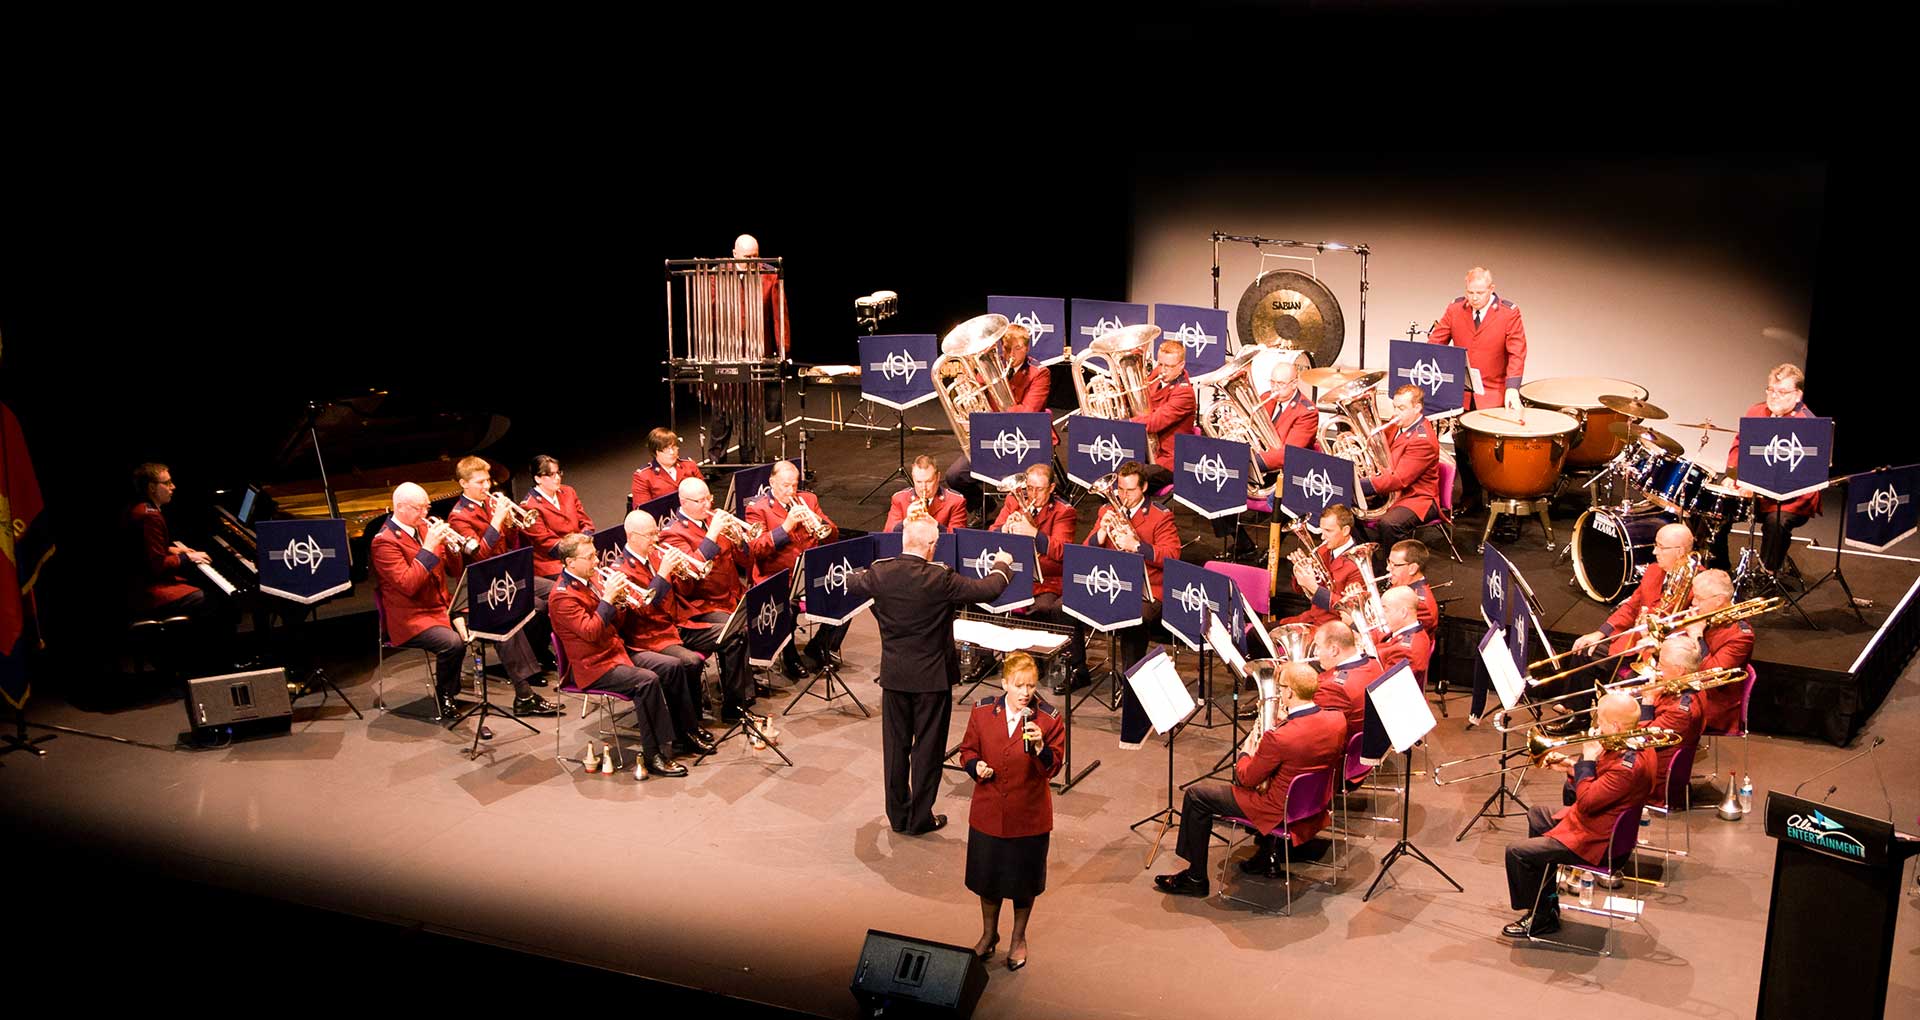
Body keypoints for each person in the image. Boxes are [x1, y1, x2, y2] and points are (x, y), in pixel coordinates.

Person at [844, 519, 1012, 835]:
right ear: (932, 546)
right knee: (927, 750)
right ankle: (920, 818)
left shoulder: (881, 573)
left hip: (894, 676)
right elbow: (988, 590)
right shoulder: (940, 578)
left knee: (895, 749)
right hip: (932, 680)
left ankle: (897, 816)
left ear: (903, 541)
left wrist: (865, 581)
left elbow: (852, 582)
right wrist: (1002, 564)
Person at [371, 483, 561, 730]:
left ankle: (524, 696)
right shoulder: (384, 542)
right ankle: (446, 695)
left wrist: (452, 548)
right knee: (452, 643)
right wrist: (429, 547)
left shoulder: (423, 527)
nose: (425, 513)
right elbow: (408, 585)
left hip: (444, 606)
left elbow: (453, 570)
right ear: (400, 507)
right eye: (420, 508)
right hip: (413, 617)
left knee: (499, 616)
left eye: (427, 507)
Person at [1154, 662, 1347, 895]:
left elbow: (1246, 778)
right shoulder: (1337, 719)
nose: (1279, 692)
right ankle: (1266, 854)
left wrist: (1246, 750)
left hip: (1277, 809)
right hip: (1312, 802)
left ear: (1289, 692)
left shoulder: (1280, 738)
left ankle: (1195, 878)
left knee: (1196, 797)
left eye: (1281, 687)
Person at [1500, 691, 1655, 938]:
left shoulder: (1628, 766)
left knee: (1517, 853)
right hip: (1599, 821)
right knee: (1538, 814)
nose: (1596, 727)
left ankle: (1540, 918)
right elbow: (1604, 783)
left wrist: (1589, 760)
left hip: (1599, 841)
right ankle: (1546, 899)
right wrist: (1572, 766)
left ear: (1615, 726)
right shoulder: (1635, 742)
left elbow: (1587, 802)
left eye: (1600, 721)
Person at [956, 652, 1065, 972]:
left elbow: (1054, 768)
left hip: (1028, 816)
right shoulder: (982, 712)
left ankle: (1018, 939)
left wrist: (1041, 749)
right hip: (989, 812)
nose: (1025, 693)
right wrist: (976, 766)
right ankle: (989, 934)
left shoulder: (1049, 720)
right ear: (1004, 684)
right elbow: (967, 750)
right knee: (987, 880)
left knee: (1023, 883)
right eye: (1019, 686)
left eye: (1030, 686)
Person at [549, 533, 688, 778]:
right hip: (594, 665)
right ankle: (654, 755)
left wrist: (621, 602)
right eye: (589, 557)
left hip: (615, 651)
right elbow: (591, 632)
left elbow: (614, 622)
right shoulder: (562, 596)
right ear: (570, 562)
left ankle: (684, 733)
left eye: (595, 555)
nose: (596, 561)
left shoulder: (591, 579)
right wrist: (608, 598)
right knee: (647, 681)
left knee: (672, 666)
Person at [1083, 459, 1182, 747]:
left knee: (1134, 621)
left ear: (1144, 488)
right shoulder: (1107, 511)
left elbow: (1173, 555)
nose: (1123, 496)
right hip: (1113, 585)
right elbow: (1088, 549)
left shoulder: (1160, 516)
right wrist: (1101, 534)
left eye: (1130, 490)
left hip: (1150, 592)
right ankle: (1076, 670)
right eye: (1120, 490)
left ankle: (1133, 695)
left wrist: (1137, 546)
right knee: (1069, 604)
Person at [605, 510, 718, 757]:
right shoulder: (620, 570)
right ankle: (685, 731)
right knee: (689, 662)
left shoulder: (656, 555)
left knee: (721, 637)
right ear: (632, 536)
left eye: (656, 532)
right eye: (649, 534)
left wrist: (683, 572)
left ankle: (691, 724)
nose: (656, 538)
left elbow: (684, 591)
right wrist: (663, 574)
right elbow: (644, 608)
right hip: (647, 636)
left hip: (673, 626)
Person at [1426, 266, 1526, 514]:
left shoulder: (1508, 313)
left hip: (1493, 392)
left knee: (1492, 451)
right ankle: (1471, 497)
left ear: (1491, 289)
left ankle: (1499, 501)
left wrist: (1512, 388)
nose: (1474, 298)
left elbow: (1517, 353)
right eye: (1470, 292)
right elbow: (1436, 342)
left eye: (1479, 293)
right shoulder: (1455, 309)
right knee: (1462, 446)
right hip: (1462, 392)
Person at [446, 455, 555, 677]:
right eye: (480, 482)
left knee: (556, 593)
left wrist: (510, 524)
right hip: (485, 584)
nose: (486, 486)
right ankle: (528, 666)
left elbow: (510, 543)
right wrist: (496, 521)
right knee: (535, 606)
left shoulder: (490, 504)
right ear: (463, 483)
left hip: (507, 574)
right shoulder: (458, 518)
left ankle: (538, 651)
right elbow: (480, 555)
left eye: (487, 480)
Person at [659, 478, 756, 722]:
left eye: (708, 498)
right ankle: (735, 704)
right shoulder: (672, 534)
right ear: (684, 502)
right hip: (701, 606)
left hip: (730, 595)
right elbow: (688, 580)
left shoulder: (712, 520)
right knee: (735, 632)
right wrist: (711, 536)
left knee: (759, 614)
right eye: (700, 501)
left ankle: (744, 688)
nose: (707, 504)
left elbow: (744, 561)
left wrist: (741, 541)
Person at [124, 462, 237, 669]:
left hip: (142, 582)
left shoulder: (142, 508)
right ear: (152, 487)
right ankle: (212, 662)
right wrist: (186, 558)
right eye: (167, 483)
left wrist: (172, 549)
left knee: (207, 592)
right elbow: (157, 565)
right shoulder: (150, 517)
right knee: (211, 600)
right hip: (148, 591)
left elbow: (145, 550)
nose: (173, 487)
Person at [743, 460, 843, 678]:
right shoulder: (757, 509)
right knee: (788, 609)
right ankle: (790, 657)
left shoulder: (808, 500)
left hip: (809, 574)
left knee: (848, 594)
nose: (791, 491)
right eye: (785, 485)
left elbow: (832, 534)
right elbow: (756, 549)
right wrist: (785, 527)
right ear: (772, 482)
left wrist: (818, 522)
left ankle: (819, 646)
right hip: (777, 578)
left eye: (794, 485)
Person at [993, 463, 1086, 694]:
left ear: (1052, 488)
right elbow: (992, 532)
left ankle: (1067, 666)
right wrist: (1005, 528)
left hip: (1049, 578)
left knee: (1042, 607)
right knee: (986, 594)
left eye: (1039, 489)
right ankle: (1001, 660)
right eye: (1029, 488)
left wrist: (1034, 534)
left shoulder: (1064, 511)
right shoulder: (1014, 501)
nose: (1032, 494)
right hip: (1017, 575)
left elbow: (1062, 551)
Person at [1725, 363, 1822, 575]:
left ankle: (1768, 573)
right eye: (1771, 390)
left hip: (1791, 498)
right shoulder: (1756, 411)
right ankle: (1717, 565)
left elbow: (1800, 475)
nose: (1774, 396)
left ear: (1798, 395)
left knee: (1777, 521)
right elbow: (1739, 445)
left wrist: (1756, 487)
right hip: (1751, 489)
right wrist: (1732, 476)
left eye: (1782, 392)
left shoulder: (1808, 423)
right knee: (1713, 505)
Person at [944, 322, 1052, 511]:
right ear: (1001, 347)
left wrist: (988, 421)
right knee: (955, 476)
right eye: (1007, 348)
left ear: (1027, 348)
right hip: (993, 440)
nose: (1012, 354)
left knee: (1028, 480)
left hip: (1025, 441)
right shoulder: (991, 366)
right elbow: (974, 392)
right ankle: (983, 507)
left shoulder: (1039, 373)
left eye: (1018, 348)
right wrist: (966, 385)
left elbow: (1028, 413)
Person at [1358, 385, 1442, 574]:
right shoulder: (1397, 424)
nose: (1395, 413)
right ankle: (1367, 562)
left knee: (1390, 524)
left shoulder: (1422, 439)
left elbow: (1399, 479)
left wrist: (1361, 486)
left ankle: (1393, 573)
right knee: (1345, 505)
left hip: (1417, 497)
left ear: (1417, 408)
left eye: (1401, 408)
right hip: (1392, 490)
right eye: (1395, 407)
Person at [1638, 635, 1708, 809]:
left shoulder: (1681, 711)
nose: (1658, 669)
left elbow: (1644, 739)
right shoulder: (1692, 687)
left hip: (1653, 784)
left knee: (1582, 778)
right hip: (1650, 763)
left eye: (1662, 664)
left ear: (1679, 670)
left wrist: (1647, 701)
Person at [1273, 504, 1365, 630]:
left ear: (1345, 530)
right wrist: (1301, 570)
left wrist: (1314, 588)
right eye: (1322, 530)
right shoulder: (1323, 550)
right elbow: (1300, 591)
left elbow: (1349, 609)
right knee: (1256, 632)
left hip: (1334, 627)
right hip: (1311, 617)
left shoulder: (1358, 563)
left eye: (1328, 531)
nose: (1322, 537)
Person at [1685, 569, 1754, 731]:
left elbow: (1711, 675)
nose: (1693, 602)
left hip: (1713, 707)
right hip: (1691, 690)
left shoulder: (1741, 636)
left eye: (1699, 598)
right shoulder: (1705, 615)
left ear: (1719, 600)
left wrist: (1697, 636)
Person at [1132, 339, 1196, 492]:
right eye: (1160, 364)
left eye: (1169, 366)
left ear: (1181, 365)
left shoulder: (1184, 394)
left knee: (1131, 477)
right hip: (1146, 449)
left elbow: (1154, 422)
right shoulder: (1158, 372)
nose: (1162, 370)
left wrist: (1124, 423)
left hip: (1168, 461)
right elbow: (1138, 394)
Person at [520, 455, 594, 580]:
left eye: (558, 473)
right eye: (551, 475)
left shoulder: (569, 491)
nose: (557, 478)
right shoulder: (529, 506)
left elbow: (586, 522)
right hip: (553, 562)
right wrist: (578, 552)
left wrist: (584, 545)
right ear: (538, 479)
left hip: (579, 552)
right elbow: (546, 543)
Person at [884, 455, 969, 533]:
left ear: (938, 477)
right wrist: (906, 522)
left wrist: (934, 525)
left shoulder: (955, 501)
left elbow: (957, 538)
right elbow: (888, 536)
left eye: (929, 481)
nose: (923, 487)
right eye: (918, 482)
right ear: (913, 478)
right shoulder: (899, 499)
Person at [631, 428, 705, 508]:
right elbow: (643, 511)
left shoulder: (689, 465)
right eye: (666, 449)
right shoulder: (643, 476)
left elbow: (705, 494)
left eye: (674, 447)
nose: (672, 452)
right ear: (656, 452)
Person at [1385, 540, 1441, 633]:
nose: (1388, 568)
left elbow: (1394, 634)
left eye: (1394, 564)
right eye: (1388, 562)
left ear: (1413, 569)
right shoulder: (1402, 583)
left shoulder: (1420, 604)